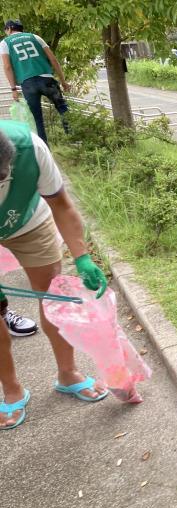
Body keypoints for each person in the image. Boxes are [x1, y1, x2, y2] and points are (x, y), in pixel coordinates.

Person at [0, 120, 109, 431]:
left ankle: (67, 372)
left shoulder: (30, 149)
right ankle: (11, 388)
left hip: (29, 222)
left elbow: (61, 205)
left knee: (53, 296)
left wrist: (83, 257)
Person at [1, 20, 70, 146]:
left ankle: (45, 149)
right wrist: (63, 81)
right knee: (62, 108)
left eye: (5, 30)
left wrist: (13, 89)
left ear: (10, 28)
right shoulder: (35, 37)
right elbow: (53, 59)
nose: (5, 32)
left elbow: (7, 66)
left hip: (28, 84)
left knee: (38, 119)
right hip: (47, 80)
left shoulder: (5, 43)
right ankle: (74, 138)